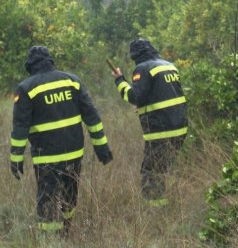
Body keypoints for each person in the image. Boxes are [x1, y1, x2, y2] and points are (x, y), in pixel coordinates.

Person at [10, 46, 113, 234]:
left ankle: (50, 241)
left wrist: (15, 159)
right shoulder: (72, 81)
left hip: (46, 157)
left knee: (47, 198)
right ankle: (67, 230)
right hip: (74, 153)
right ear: (50, 60)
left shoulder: (26, 88)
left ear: (30, 65)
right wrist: (102, 148)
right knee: (70, 193)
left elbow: (20, 128)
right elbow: (92, 117)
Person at [111, 38, 187, 207]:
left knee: (151, 172)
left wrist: (119, 80)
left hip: (161, 131)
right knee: (164, 168)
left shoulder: (143, 68)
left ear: (135, 56)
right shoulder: (169, 65)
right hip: (180, 128)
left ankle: (155, 211)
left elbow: (134, 97)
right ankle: (168, 205)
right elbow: (165, 94)